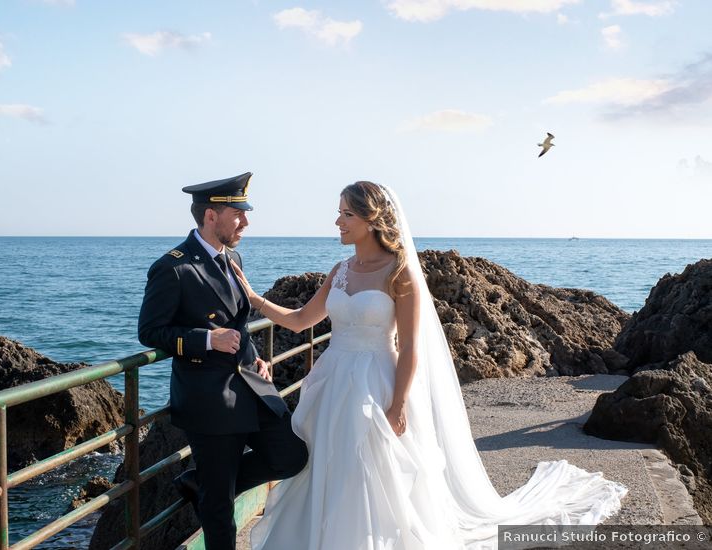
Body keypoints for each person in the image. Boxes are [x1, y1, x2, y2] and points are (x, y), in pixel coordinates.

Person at [230, 181, 628, 549]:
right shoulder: (340, 272)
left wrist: (399, 403)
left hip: (378, 382)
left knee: (371, 469)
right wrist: (253, 298)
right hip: (333, 380)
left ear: (371, 220)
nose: (338, 221)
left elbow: (410, 348)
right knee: (324, 467)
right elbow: (301, 320)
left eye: (346, 214)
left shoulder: (399, 272)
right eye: (339, 213)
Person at [137, 172, 309, 550]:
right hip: (209, 396)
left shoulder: (233, 258)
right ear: (211, 217)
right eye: (238, 213)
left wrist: (256, 357)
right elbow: (150, 332)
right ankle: (211, 488)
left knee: (292, 456)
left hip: (251, 383)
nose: (246, 222)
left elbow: (238, 324)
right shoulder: (173, 267)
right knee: (218, 509)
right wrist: (205, 339)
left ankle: (202, 482)